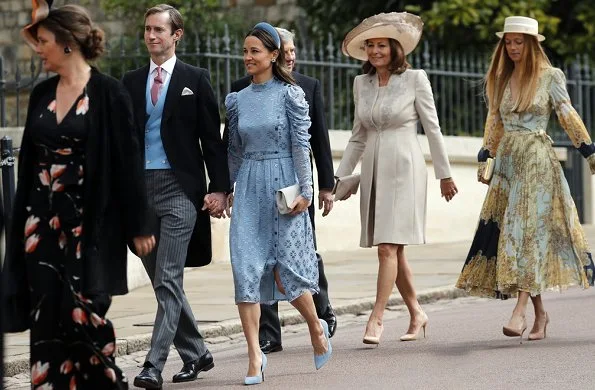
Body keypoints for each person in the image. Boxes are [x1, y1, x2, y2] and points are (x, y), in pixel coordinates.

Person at [1, 2, 155, 389]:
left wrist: (139, 224)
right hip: (41, 228)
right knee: (47, 320)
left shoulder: (109, 94)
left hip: (90, 228)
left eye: (44, 41)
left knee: (84, 318)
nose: (38, 49)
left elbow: (128, 162)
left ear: (68, 43)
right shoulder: (40, 95)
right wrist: (18, 229)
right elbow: (29, 169)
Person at [456, 16, 595, 341]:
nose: (513, 47)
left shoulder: (550, 76)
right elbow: (494, 121)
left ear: (532, 44)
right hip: (508, 164)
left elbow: (567, 114)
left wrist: (589, 150)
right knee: (515, 234)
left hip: (537, 160)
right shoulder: (502, 78)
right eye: (508, 42)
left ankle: (519, 312)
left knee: (523, 232)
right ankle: (541, 315)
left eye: (519, 42)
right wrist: (486, 154)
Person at [121, 4, 229, 389]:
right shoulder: (130, 81)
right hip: (141, 192)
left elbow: (211, 143)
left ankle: (153, 365)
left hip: (181, 190)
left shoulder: (194, 79)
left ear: (176, 35)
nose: (152, 36)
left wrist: (219, 189)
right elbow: (122, 141)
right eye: (147, 30)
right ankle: (197, 352)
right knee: (162, 282)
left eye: (159, 30)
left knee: (168, 276)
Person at [337, 12, 458, 345]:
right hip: (374, 168)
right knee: (394, 250)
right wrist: (339, 178)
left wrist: (445, 174)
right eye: (370, 46)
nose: (376, 51)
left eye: (382, 45)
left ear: (394, 48)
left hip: (406, 169)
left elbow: (432, 128)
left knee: (387, 247)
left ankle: (376, 317)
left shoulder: (415, 78)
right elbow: (357, 136)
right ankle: (417, 312)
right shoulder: (361, 83)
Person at [225, 22, 332, 384]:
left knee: (286, 273)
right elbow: (235, 152)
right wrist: (225, 189)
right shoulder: (237, 99)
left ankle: (316, 326)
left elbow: (302, 146)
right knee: (245, 268)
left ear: (273, 55)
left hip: (284, 186)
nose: (247, 57)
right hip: (251, 187)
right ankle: (255, 355)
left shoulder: (291, 95)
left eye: (254, 51)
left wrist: (308, 190)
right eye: (244, 51)